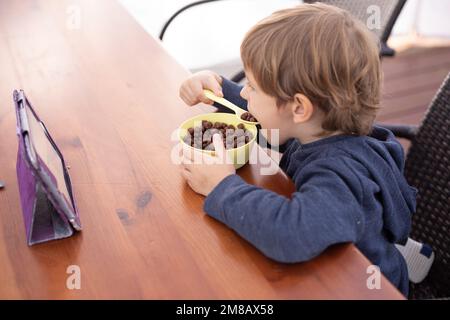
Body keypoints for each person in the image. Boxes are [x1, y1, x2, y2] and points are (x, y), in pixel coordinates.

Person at [178, 3, 416, 296]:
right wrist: (217, 88)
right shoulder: (320, 129)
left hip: (359, 286)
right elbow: (274, 120)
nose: (243, 92)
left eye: (251, 86)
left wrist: (222, 186)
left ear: (300, 107)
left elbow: (292, 233)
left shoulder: (338, 174)